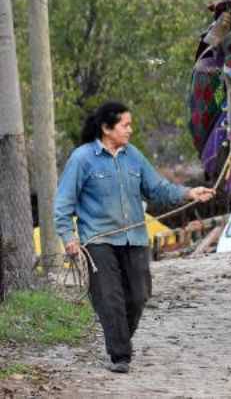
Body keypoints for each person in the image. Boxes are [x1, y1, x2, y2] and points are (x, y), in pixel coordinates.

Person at [54, 101, 215, 373]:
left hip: (135, 238)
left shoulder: (134, 156)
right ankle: (120, 355)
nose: (130, 130)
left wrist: (189, 193)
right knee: (110, 297)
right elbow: (63, 204)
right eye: (125, 125)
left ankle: (118, 339)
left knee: (139, 295)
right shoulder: (82, 159)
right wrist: (68, 237)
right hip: (98, 240)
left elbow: (157, 188)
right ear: (106, 128)